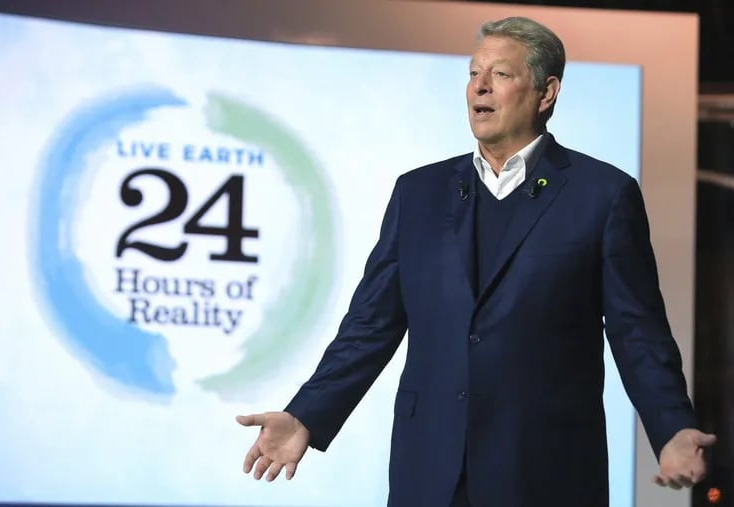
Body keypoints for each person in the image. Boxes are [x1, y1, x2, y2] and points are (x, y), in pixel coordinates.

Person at [236, 16, 716, 507]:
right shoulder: (418, 194)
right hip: (430, 471)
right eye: (473, 73)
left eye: (500, 74)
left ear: (546, 93)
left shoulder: (602, 196)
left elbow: (638, 332)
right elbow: (369, 326)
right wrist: (307, 415)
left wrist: (671, 427)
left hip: (545, 471)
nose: (479, 87)